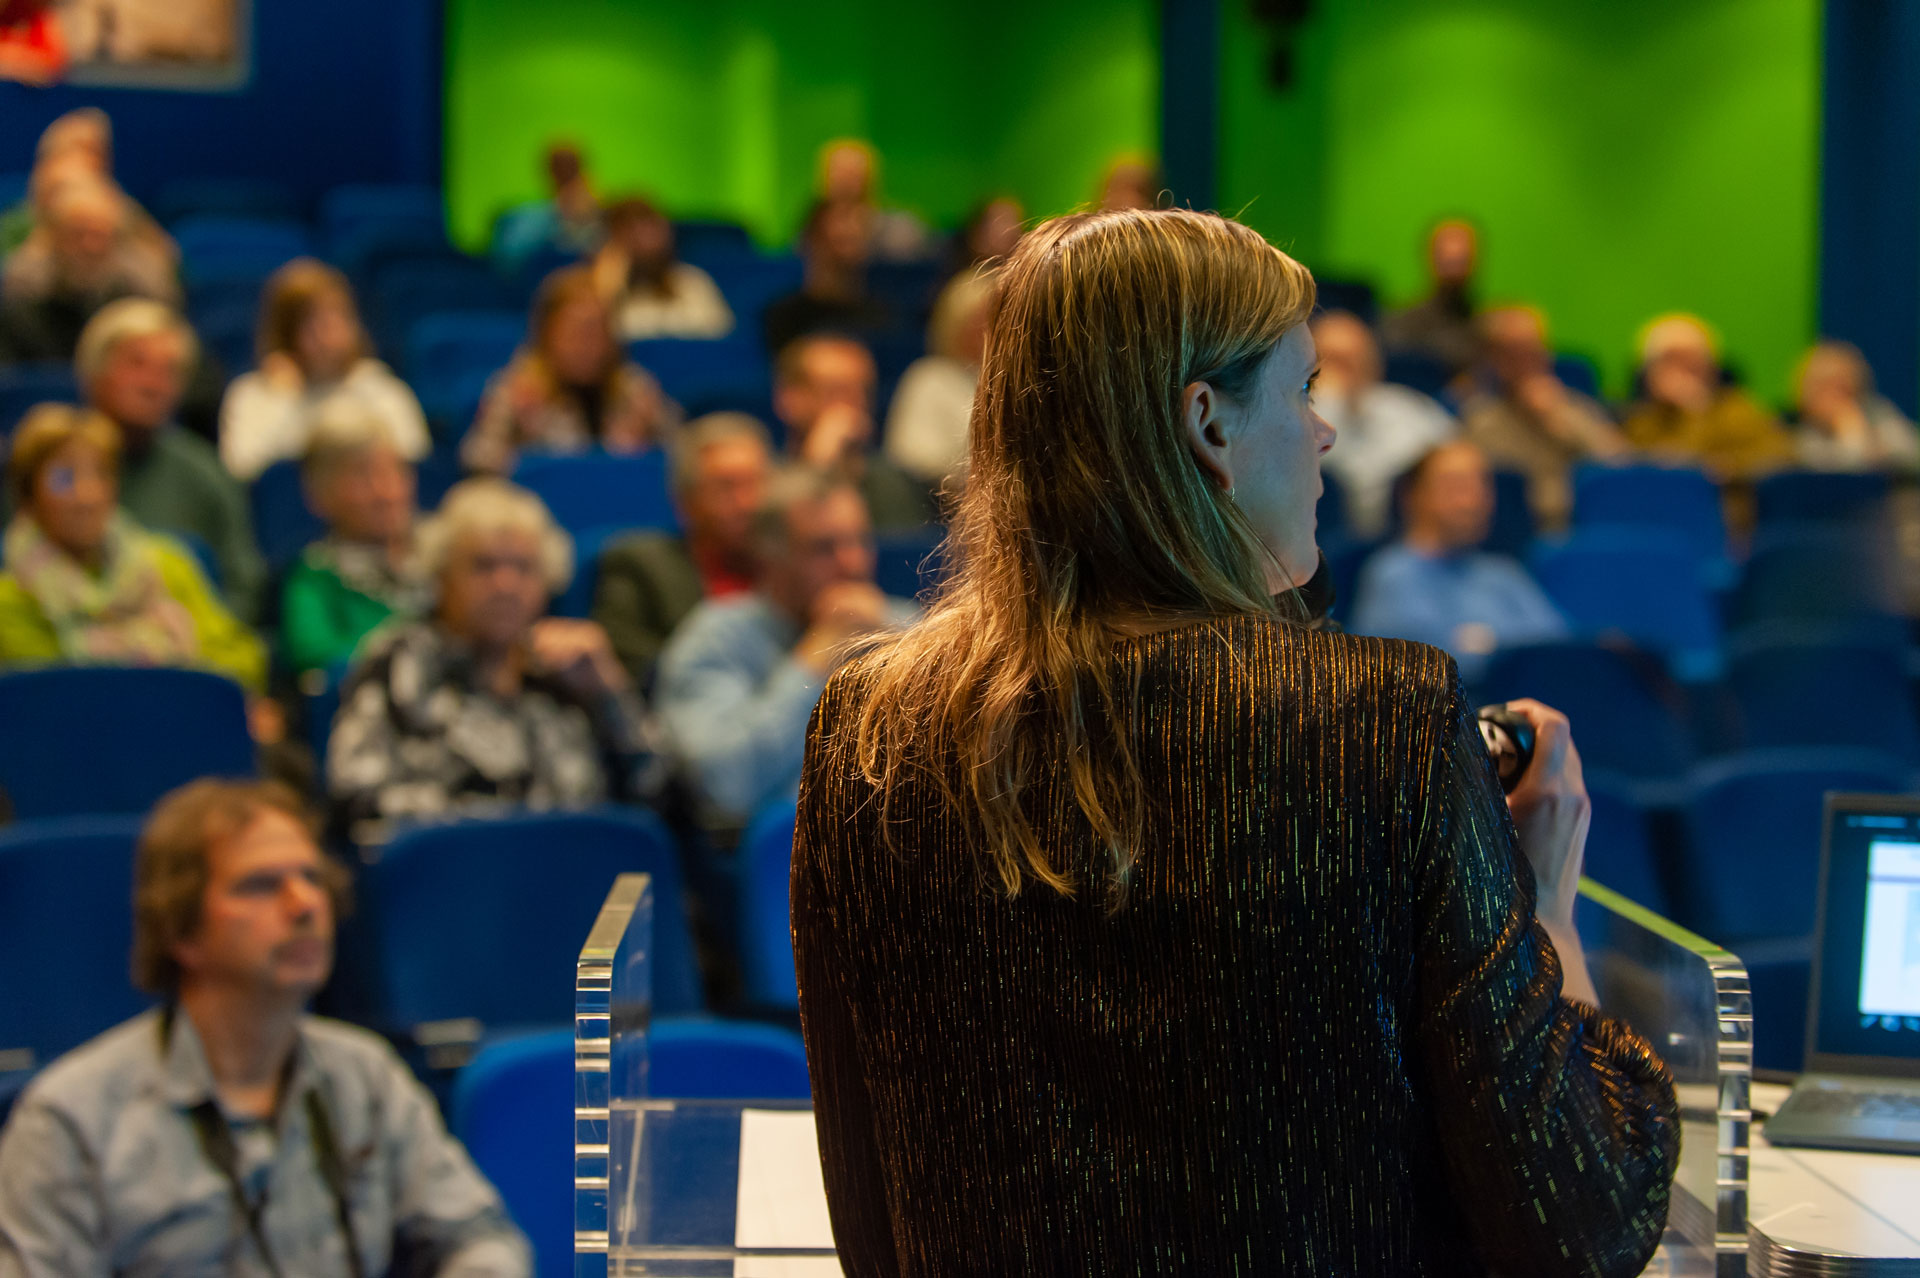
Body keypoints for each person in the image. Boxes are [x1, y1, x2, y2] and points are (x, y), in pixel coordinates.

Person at [791, 209, 1676, 1275]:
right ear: (1207, 426)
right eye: (1301, 391)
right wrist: (1544, 918)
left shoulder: (865, 722)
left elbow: (871, 1226)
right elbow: (1583, 1223)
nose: (1326, 432)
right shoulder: (1386, 721)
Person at [0, 778, 532, 1276]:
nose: (303, 905)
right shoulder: (72, 1119)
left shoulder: (364, 1076)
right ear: (182, 930)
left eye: (311, 878)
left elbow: (480, 1238)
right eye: (260, 886)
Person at [327, 478, 663, 842]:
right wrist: (503, 831)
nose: (505, 584)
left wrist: (610, 692)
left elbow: (658, 794)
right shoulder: (399, 661)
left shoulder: (567, 669)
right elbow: (355, 797)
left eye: (524, 567)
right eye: (483, 566)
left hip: (578, 880)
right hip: (457, 878)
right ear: (442, 575)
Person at [656, 467, 913, 833]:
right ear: (769, 555)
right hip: (781, 860)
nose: (852, 563)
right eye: (823, 548)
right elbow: (727, 785)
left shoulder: (900, 627)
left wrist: (900, 646)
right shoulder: (715, 640)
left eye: (859, 541)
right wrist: (815, 658)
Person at [0, 404, 265, 691]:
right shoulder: (11, 604)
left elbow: (242, 657)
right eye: (63, 478)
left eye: (101, 474)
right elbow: (66, 698)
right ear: (28, 495)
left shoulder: (166, 562)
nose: (86, 496)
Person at [76, 299, 266, 621]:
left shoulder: (205, 474)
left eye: (170, 371)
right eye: (137, 364)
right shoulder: (46, 465)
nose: (154, 384)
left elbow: (244, 587)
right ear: (95, 373)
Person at [1350, 440, 1569, 683]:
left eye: (1481, 486)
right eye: (1457, 486)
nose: (1473, 502)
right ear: (1413, 496)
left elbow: (1559, 651)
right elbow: (1426, 665)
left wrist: (1485, 644)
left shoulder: (1504, 573)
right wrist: (1504, 649)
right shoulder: (1391, 574)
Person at [593, 412, 773, 686]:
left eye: (756, 483)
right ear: (685, 502)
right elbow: (636, 671)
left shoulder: (799, 566)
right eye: (726, 487)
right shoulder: (640, 567)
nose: (747, 503)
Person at [218, 258, 430, 482]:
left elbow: (412, 459)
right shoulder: (253, 395)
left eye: (338, 317)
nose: (329, 335)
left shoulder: (379, 388)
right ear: (286, 333)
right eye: (313, 324)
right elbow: (243, 470)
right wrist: (286, 400)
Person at [461, 266, 679, 475]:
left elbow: (683, 460)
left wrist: (650, 436)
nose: (587, 346)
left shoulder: (635, 388)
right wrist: (523, 452)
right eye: (575, 333)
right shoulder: (517, 388)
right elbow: (477, 462)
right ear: (547, 334)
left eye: (596, 332)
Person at [279, 406, 429, 680]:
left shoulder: (446, 556)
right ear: (319, 494)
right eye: (363, 476)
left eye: (394, 471)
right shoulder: (316, 577)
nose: (385, 492)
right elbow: (316, 657)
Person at [1460, 304, 1628, 529]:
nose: (1530, 360)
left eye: (1536, 348)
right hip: (1521, 534)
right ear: (1495, 360)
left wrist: (1561, 420)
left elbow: (1622, 467)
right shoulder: (1480, 421)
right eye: (1515, 351)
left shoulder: (1575, 407)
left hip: (1586, 527)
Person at [0, 174, 179, 363]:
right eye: (78, 234)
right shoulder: (20, 297)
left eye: (101, 236)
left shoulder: (141, 294)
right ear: (52, 239)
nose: (90, 247)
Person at [1309, 309, 1456, 538]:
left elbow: (1457, 458)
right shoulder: (1297, 415)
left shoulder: (1409, 406)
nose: (1350, 371)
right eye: (1336, 361)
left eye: (1358, 358)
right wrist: (1330, 400)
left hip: (1411, 537)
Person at [774, 333, 935, 530]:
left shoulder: (894, 484)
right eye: (837, 391)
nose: (857, 403)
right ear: (789, 399)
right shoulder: (765, 482)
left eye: (865, 391)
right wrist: (818, 463)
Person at [1620, 313, 1794, 481]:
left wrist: (1731, 465)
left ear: (1711, 367)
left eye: (1691, 358)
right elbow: (1627, 464)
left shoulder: (1736, 409)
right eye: (1670, 359)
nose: (1681, 370)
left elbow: (1781, 453)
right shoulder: (1642, 419)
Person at [882, 266, 994, 490]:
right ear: (956, 322)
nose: (987, 328)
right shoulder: (929, 377)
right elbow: (910, 457)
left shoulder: (1015, 381)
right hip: (940, 505)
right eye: (979, 318)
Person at [590, 195, 734, 341]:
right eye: (633, 233)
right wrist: (609, 284)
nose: (646, 241)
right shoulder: (597, 288)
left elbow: (719, 338)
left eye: (653, 229)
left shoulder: (692, 281)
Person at [762, 200, 890, 355]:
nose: (849, 249)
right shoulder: (784, 317)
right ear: (811, 241)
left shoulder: (880, 316)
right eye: (840, 240)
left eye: (856, 239)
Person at [1791, 339, 1920, 473]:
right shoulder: (1802, 435)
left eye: (1842, 388)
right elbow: (1849, 477)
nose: (1835, 397)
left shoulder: (1878, 413)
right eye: (1825, 387)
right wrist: (1851, 431)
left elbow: (1911, 454)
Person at [1381, 217, 1481, 377]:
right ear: (1430, 258)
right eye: (1449, 262)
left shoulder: (1485, 325)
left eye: (1462, 261)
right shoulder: (1402, 321)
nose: (1454, 272)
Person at [491, 141, 603, 274]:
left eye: (571, 166)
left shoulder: (600, 214)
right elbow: (507, 259)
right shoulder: (524, 216)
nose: (565, 173)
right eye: (559, 167)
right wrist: (559, 212)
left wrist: (589, 216)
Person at [815, 138, 933, 262]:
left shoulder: (903, 232)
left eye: (853, 176)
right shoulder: (809, 239)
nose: (846, 184)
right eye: (839, 175)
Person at [947, 195, 1023, 276]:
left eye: (1014, 222)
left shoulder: (1021, 275)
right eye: (1000, 223)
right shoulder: (964, 281)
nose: (1010, 230)